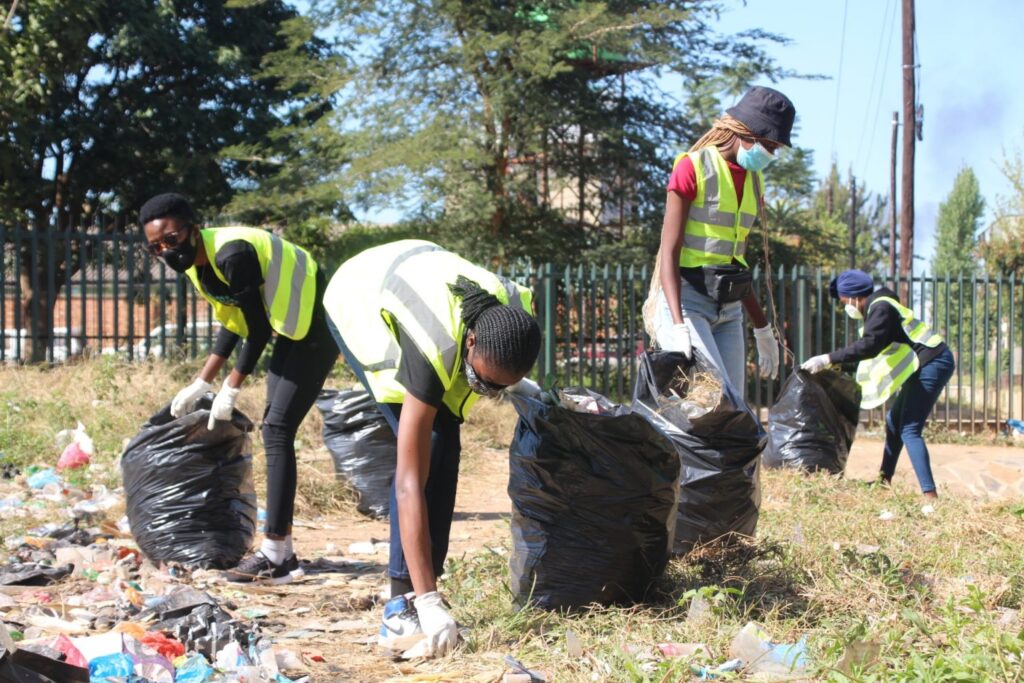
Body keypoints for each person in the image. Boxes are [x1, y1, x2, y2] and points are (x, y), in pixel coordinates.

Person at [323, 240, 541, 658]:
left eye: (499, 387)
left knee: (445, 444)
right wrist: (426, 600)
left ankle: (426, 590)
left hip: (418, 269)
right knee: (430, 445)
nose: (488, 392)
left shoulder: (518, 313)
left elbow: (496, 366)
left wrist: (512, 384)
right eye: (484, 381)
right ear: (470, 341)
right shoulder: (432, 345)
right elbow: (408, 484)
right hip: (358, 294)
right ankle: (402, 606)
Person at [140, 193, 337, 583]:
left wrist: (231, 387)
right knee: (275, 429)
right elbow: (234, 323)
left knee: (277, 429)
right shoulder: (198, 267)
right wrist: (202, 380)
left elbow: (258, 329)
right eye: (155, 247)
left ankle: (277, 555)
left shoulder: (232, 254)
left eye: (171, 239)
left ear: (193, 229)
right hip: (291, 328)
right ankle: (281, 553)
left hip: (316, 322)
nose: (166, 251)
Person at [644, 86, 796, 397]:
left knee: (733, 404)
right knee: (712, 399)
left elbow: (735, 261)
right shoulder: (692, 167)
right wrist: (678, 324)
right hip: (687, 302)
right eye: (768, 145)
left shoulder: (754, 180)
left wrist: (762, 327)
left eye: (775, 148)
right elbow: (669, 253)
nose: (771, 154)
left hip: (729, 308)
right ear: (744, 132)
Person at [801, 270, 954, 498]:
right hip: (924, 363)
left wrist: (828, 358)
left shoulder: (881, 308)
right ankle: (884, 481)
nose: (846, 307)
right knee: (894, 422)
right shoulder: (879, 308)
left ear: (855, 296)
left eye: (845, 301)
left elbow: (869, 346)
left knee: (909, 428)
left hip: (933, 362)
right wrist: (835, 364)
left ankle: (930, 495)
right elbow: (871, 354)